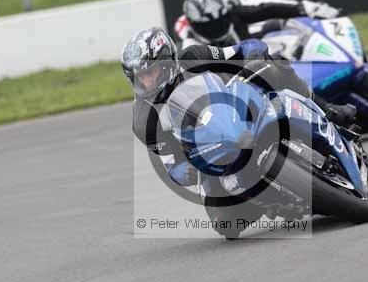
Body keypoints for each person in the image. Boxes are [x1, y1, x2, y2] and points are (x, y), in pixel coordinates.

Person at [121, 27, 355, 184]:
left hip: (238, 105)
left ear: (166, 61)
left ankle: (327, 110)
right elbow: (170, 163)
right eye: (140, 77)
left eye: (150, 72)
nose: (146, 81)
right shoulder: (143, 121)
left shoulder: (193, 56)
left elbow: (244, 48)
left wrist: (252, 56)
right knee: (225, 223)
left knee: (275, 67)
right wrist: (184, 172)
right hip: (209, 154)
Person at [175, 0, 340, 48]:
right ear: (193, 23)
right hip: (221, 74)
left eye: (220, 21)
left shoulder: (230, 5)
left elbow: (263, 5)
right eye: (208, 26)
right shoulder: (187, 38)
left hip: (246, 50)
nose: (215, 28)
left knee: (276, 24)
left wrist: (305, 8)